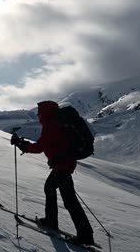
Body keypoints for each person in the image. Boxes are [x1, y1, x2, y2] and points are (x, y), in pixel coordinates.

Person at [10, 100, 95, 245]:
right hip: (63, 164)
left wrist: (20, 144)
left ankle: (85, 236)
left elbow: (39, 147)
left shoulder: (52, 126)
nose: (38, 115)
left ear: (45, 113)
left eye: (39, 112)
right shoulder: (57, 124)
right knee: (49, 188)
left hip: (62, 165)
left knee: (69, 200)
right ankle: (51, 221)